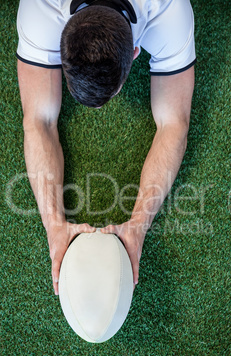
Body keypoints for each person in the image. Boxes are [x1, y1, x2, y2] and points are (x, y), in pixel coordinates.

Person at [16, 0, 196, 295]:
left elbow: (174, 123)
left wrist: (139, 224)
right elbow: (38, 120)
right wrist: (54, 226)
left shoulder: (169, 10)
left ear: (135, 52)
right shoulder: (39, 8)